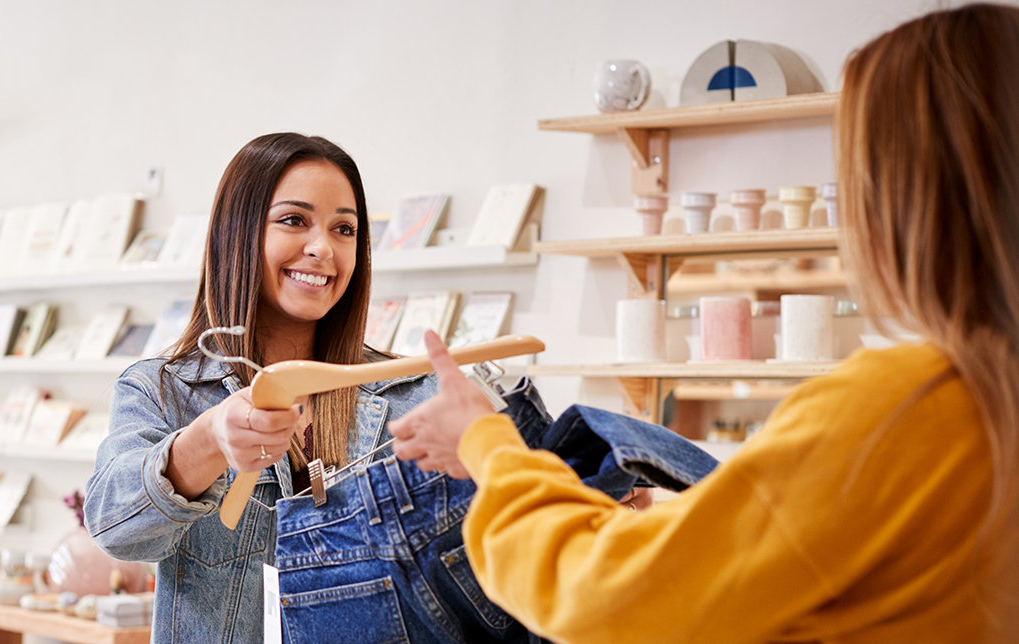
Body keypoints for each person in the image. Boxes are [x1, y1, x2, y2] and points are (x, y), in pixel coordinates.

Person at [389, 5, 1019, 642]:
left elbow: (608, 597)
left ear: (901, 196)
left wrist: (486, 442)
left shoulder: (908, 407)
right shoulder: (987, 400)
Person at [83, 133, 438, 644]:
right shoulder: (164, 390)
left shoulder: (407, 391)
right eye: (294, 220)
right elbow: (115, 528)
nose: (322, 248)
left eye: (344, 229)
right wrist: (205, 441)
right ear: (238, 233)